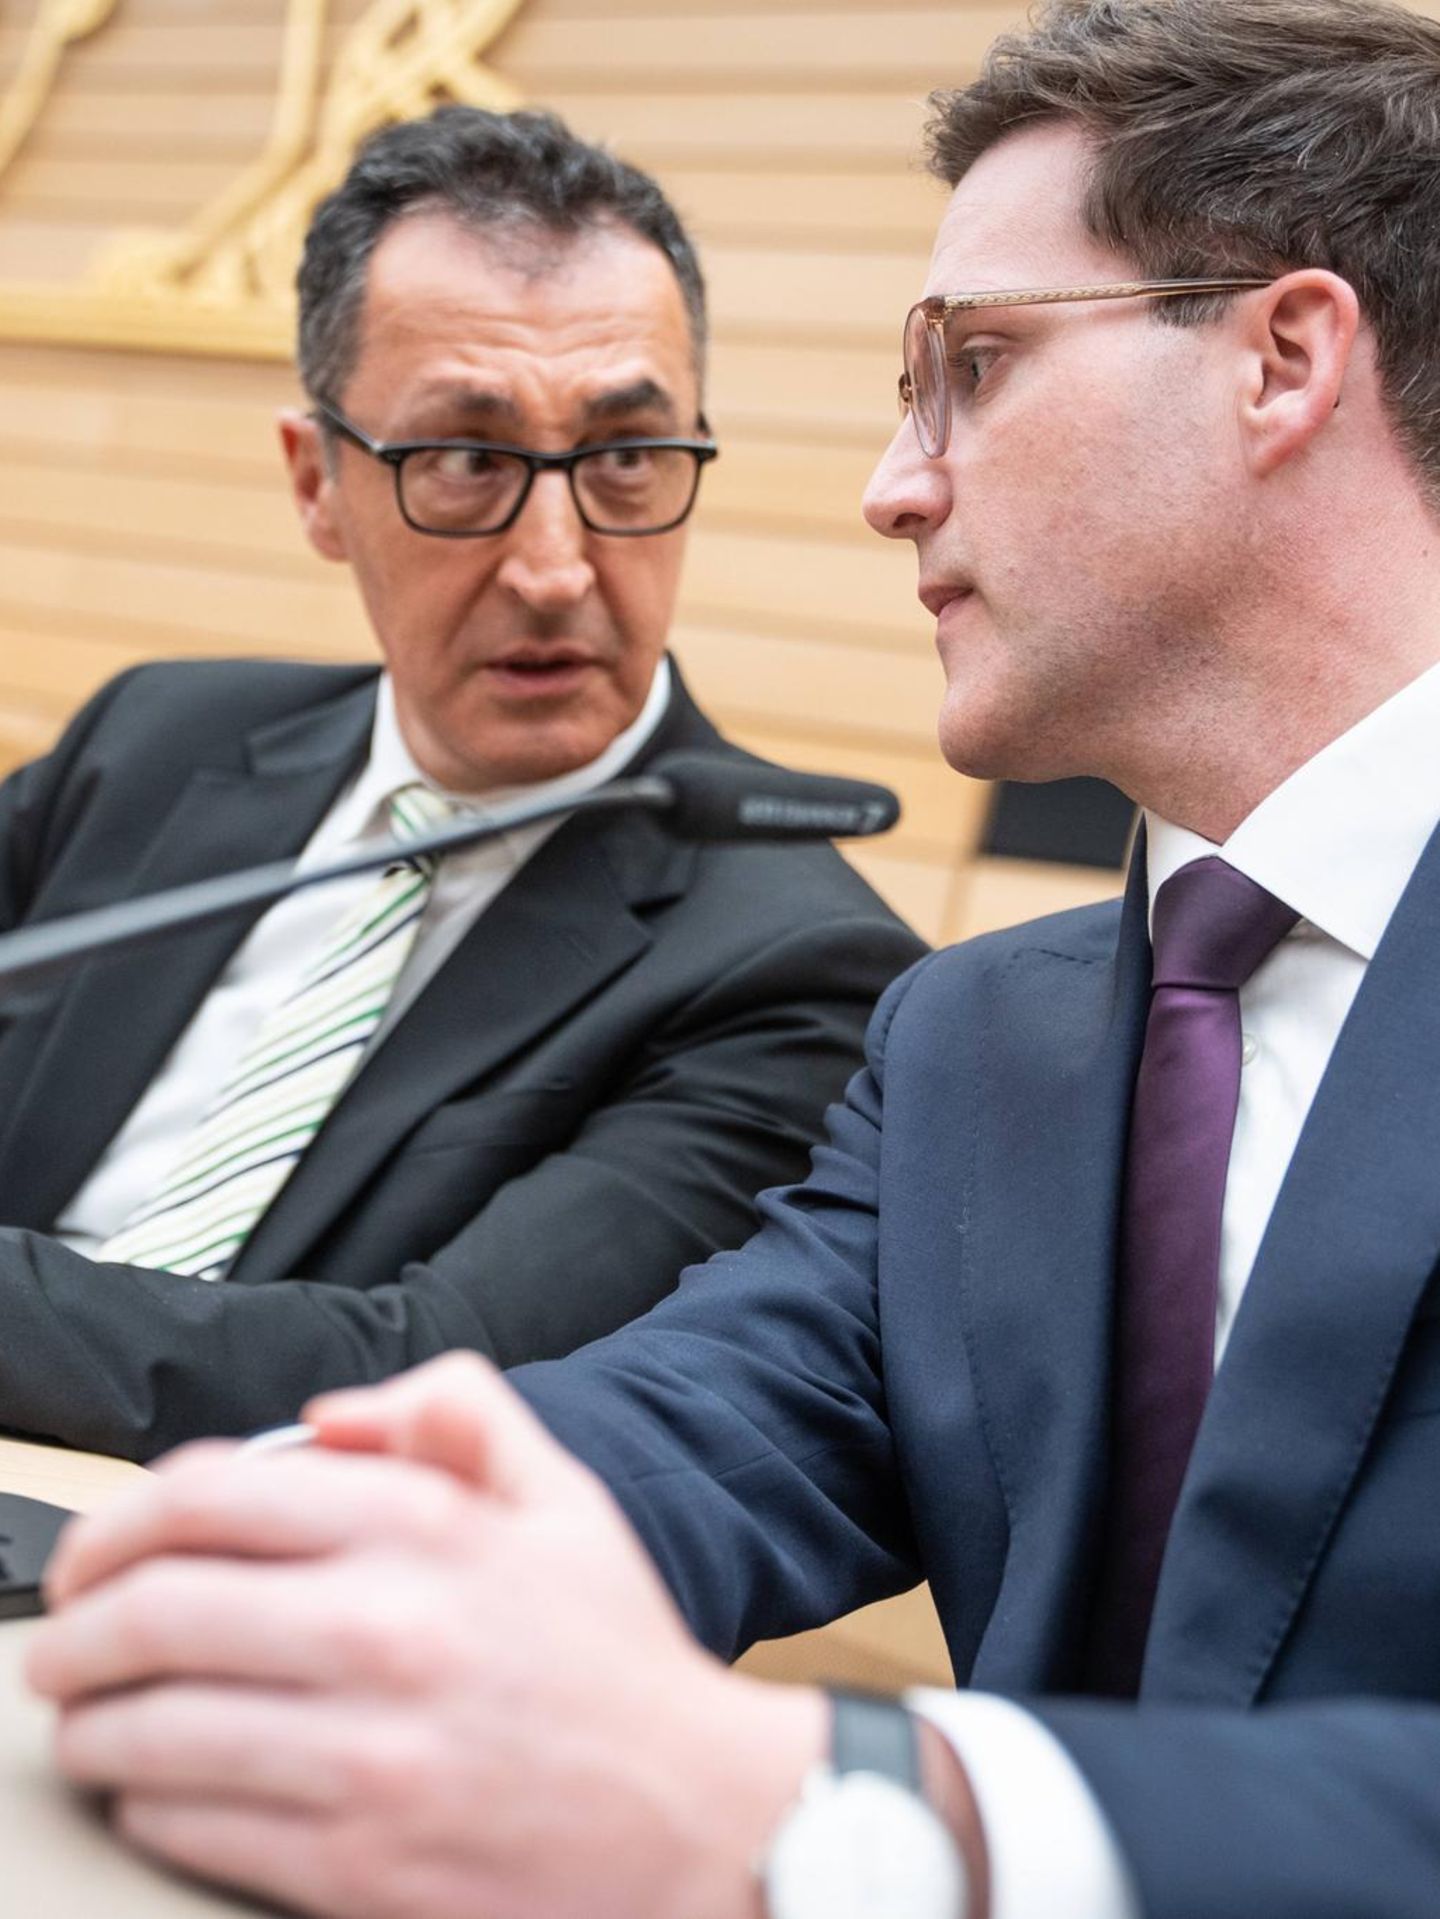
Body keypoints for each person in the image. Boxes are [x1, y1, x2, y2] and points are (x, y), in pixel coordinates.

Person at [28, 0, 1440, 1913]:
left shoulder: (803, 958)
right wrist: (297, 1553)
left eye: (979, 366)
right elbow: (704, 1424)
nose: (893, 486)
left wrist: (843, 1795)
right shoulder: (983, 1039)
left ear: (1281, 359)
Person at [0, 108, 921, 1462]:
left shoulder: (799, 964)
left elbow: (421, 1374)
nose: (554, 566)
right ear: (318, 482)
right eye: (470, 462)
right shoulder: (157, 739)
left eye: (623, 461)